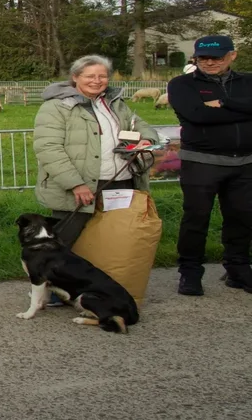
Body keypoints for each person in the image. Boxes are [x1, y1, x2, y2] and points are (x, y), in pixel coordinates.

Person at [33, 54, 160, 249]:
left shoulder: (115, 103)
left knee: (114, 239)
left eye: (102, 76)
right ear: (75, 77)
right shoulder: (55, 107)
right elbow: (48, 149)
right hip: (80, 185)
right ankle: (50, 270)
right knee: (65, 241)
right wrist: (75, 184)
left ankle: (106, 269)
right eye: (90, 76)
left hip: (120, 181)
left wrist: (147, 139)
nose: (97, 81)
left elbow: (139, 124)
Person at [167, 35, 252, 296]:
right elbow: (197, 115)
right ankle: (190, 273)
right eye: (203, 58)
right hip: (201, 162)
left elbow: (210, 113)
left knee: (242, 218)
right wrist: (245, 110)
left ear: (232, 55)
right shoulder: (182, 84)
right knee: (196, 219)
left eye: (216, 58)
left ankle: (238, 269)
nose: (209, 62)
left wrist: (225, 103)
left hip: (245, 163)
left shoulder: (248, 81)